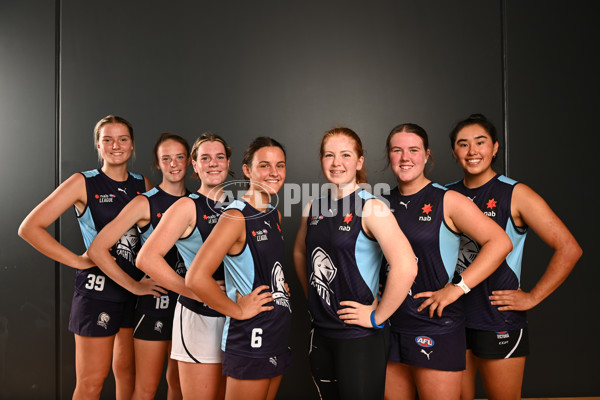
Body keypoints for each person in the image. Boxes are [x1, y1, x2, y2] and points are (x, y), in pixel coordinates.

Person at [18, 115, 157, 400]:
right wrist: (77, 261)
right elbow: (29, 228)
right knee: (92, 382)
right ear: (98, 145)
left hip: (135, 291)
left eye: (122, 139)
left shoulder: (142, 182)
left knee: (128, 375)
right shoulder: (82, 182)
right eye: (107, 139)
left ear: (132, 146)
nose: (115, 145)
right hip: (98, 292)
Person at [446, 114, 582, 400]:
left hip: (497, 318)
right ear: (454, 151)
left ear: (495, 147)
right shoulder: (444, 195)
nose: (472, 151)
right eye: (463, 144)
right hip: (450, 318)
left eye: (480, 142)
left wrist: (532, 297)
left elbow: (569, 248)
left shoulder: (515, 194)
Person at [379, 123, 512, 400]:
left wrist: (458, 288)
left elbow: (500, 243)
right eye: (397, 150)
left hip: (436, 325)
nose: (405, 158)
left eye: (413, 150)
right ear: (389, 156)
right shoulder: (379, 203)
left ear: (427, 155)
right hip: (390, 325)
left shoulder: (447, 199)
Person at [293, 127, 418, 400]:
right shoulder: (313, 207)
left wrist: (378, 315)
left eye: (346, 155)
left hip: (359, 337)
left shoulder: (372, 207)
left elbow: (407, 265)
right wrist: (312, 297)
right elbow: (301, 253)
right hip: (321, 332)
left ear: (359, 162)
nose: (337, 163)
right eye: (329, 155)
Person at [87, 132, 193, 400]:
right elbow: (98, 249)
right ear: (157, 164)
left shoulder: (198, 202)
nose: (174, 164)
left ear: (190, 161)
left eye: (180, 157)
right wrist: (134, 286)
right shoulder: (144, 201)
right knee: (145, 389)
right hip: (154, 305)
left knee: (179, 386)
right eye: (166, 159)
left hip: (190, 306)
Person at [185, 136, 292, 400]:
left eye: (280, 165)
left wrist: (280, 286)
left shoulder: (272, 214)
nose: (274, 173)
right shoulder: (236, 216)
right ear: (247, 170)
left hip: (276, 330)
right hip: (249, 336)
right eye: (264, 165)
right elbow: (196, 277)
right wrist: (236, 310)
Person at [135, 132, 234, 400]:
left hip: (234, 316)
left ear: (228, 162)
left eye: (219, 157)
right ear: (195, 165)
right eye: (205, 158)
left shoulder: (238, 207)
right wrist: (194, 291)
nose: (213, 163)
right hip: (198, 318)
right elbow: (146, 258)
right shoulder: (186, 206)